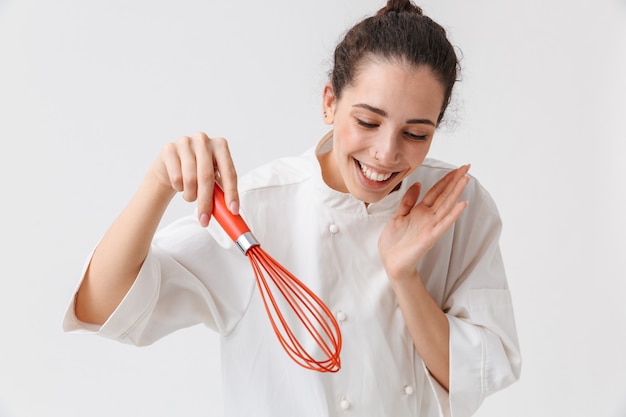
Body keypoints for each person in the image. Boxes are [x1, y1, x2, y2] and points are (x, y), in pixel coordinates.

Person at [63, 0, 521, 416]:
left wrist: (405, 277)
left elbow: (474, 374)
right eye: (367, 121)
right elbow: (102, 307)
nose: (386, 152)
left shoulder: (456, 205)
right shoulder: (258, 208)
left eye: (416, 133)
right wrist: (158, 183)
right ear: (329, 103)